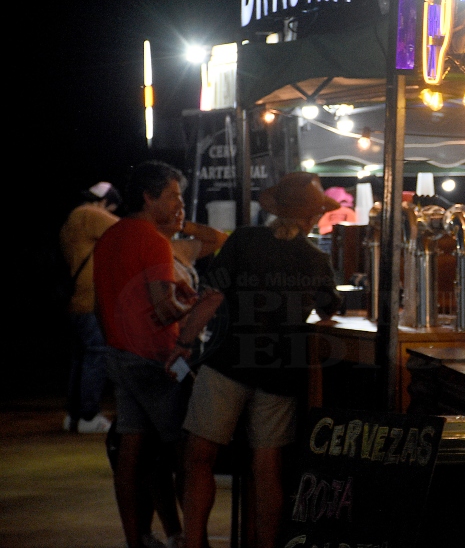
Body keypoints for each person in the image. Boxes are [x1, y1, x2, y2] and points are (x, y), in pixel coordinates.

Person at [173, 172, 341, 548]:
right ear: (313, 217)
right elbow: (328, 309)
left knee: (199, 457)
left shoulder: (244, 239)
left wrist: (183, 342)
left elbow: (212, 298)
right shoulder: (316, 258)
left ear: (275, 208)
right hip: (280, 370)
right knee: (267, 469)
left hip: (228, 362)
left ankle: (193, 543)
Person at [94, 161, 223, 548]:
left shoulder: (110, 236)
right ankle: (192, 540)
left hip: (120, 355)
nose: (179, 205)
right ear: (148, 198)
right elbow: (165, 310)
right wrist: (200, 304)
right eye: (173, 197)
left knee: (132, 452)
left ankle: (138, 539)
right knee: (187, 453)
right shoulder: (152, 241)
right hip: (160, 359)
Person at [59, 181, 121, 433]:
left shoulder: (72, 219)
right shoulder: (89, 214)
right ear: (104, 202)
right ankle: (88, 415)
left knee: (82, 356)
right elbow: (128, 231)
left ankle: (74, 415)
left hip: (76, 301)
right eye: (111, 209)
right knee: (97, 353)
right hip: (90, 300)